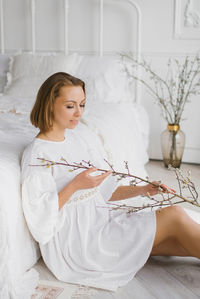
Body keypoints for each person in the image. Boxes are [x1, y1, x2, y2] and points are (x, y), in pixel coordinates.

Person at [21, 72, 200, 292]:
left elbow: (104, 192)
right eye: (70, 106)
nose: (79, 113)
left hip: (101, 222)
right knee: (174, 216)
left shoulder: (77, 140)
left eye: (82, 104)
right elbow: (39, 218)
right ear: (49, 105)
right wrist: (75, 185)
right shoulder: (38, 154)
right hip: (82, 245)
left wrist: (143, 189)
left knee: (180, 239)